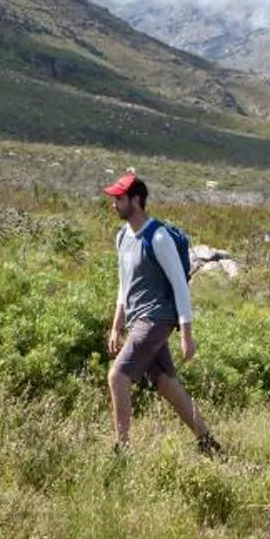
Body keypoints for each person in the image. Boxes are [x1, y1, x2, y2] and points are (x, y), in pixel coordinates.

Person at [101, 172, 221, 454]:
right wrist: (116, 326)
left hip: (156, 318)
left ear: (137, 200)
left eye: (119, 199)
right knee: (165, 382)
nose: (113, 204)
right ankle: (207, 442)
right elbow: (124, 285)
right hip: (137, 318)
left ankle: (122, 449)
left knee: (117, 376)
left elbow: (180, 284)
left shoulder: (158, 236)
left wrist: (186, 335)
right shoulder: (122, 236)